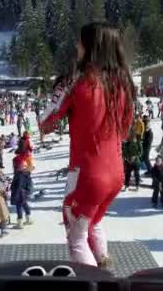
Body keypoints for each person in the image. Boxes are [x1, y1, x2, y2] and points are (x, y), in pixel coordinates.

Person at [38, 23, 135, 267]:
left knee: (76, 238)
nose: (76, 46)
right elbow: (124, 132)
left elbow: (45, 123)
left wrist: (60, 89)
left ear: (91, 46)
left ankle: (91, 282)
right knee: (94, 223)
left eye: (80, 41)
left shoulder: (78, 81)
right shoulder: (124, 84)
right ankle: (103, 265)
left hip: (87, 174)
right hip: (115, 174)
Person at [11, 155, 34, 229]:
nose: (13, 165)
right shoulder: (26, 172)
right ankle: (29, 219)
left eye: (14, 164)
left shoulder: (19, 174)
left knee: (19, 207)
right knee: (24, 204)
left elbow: (18, 186)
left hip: (20, 193)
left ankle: (20, 223)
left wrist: (15, 195)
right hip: (25, 193)